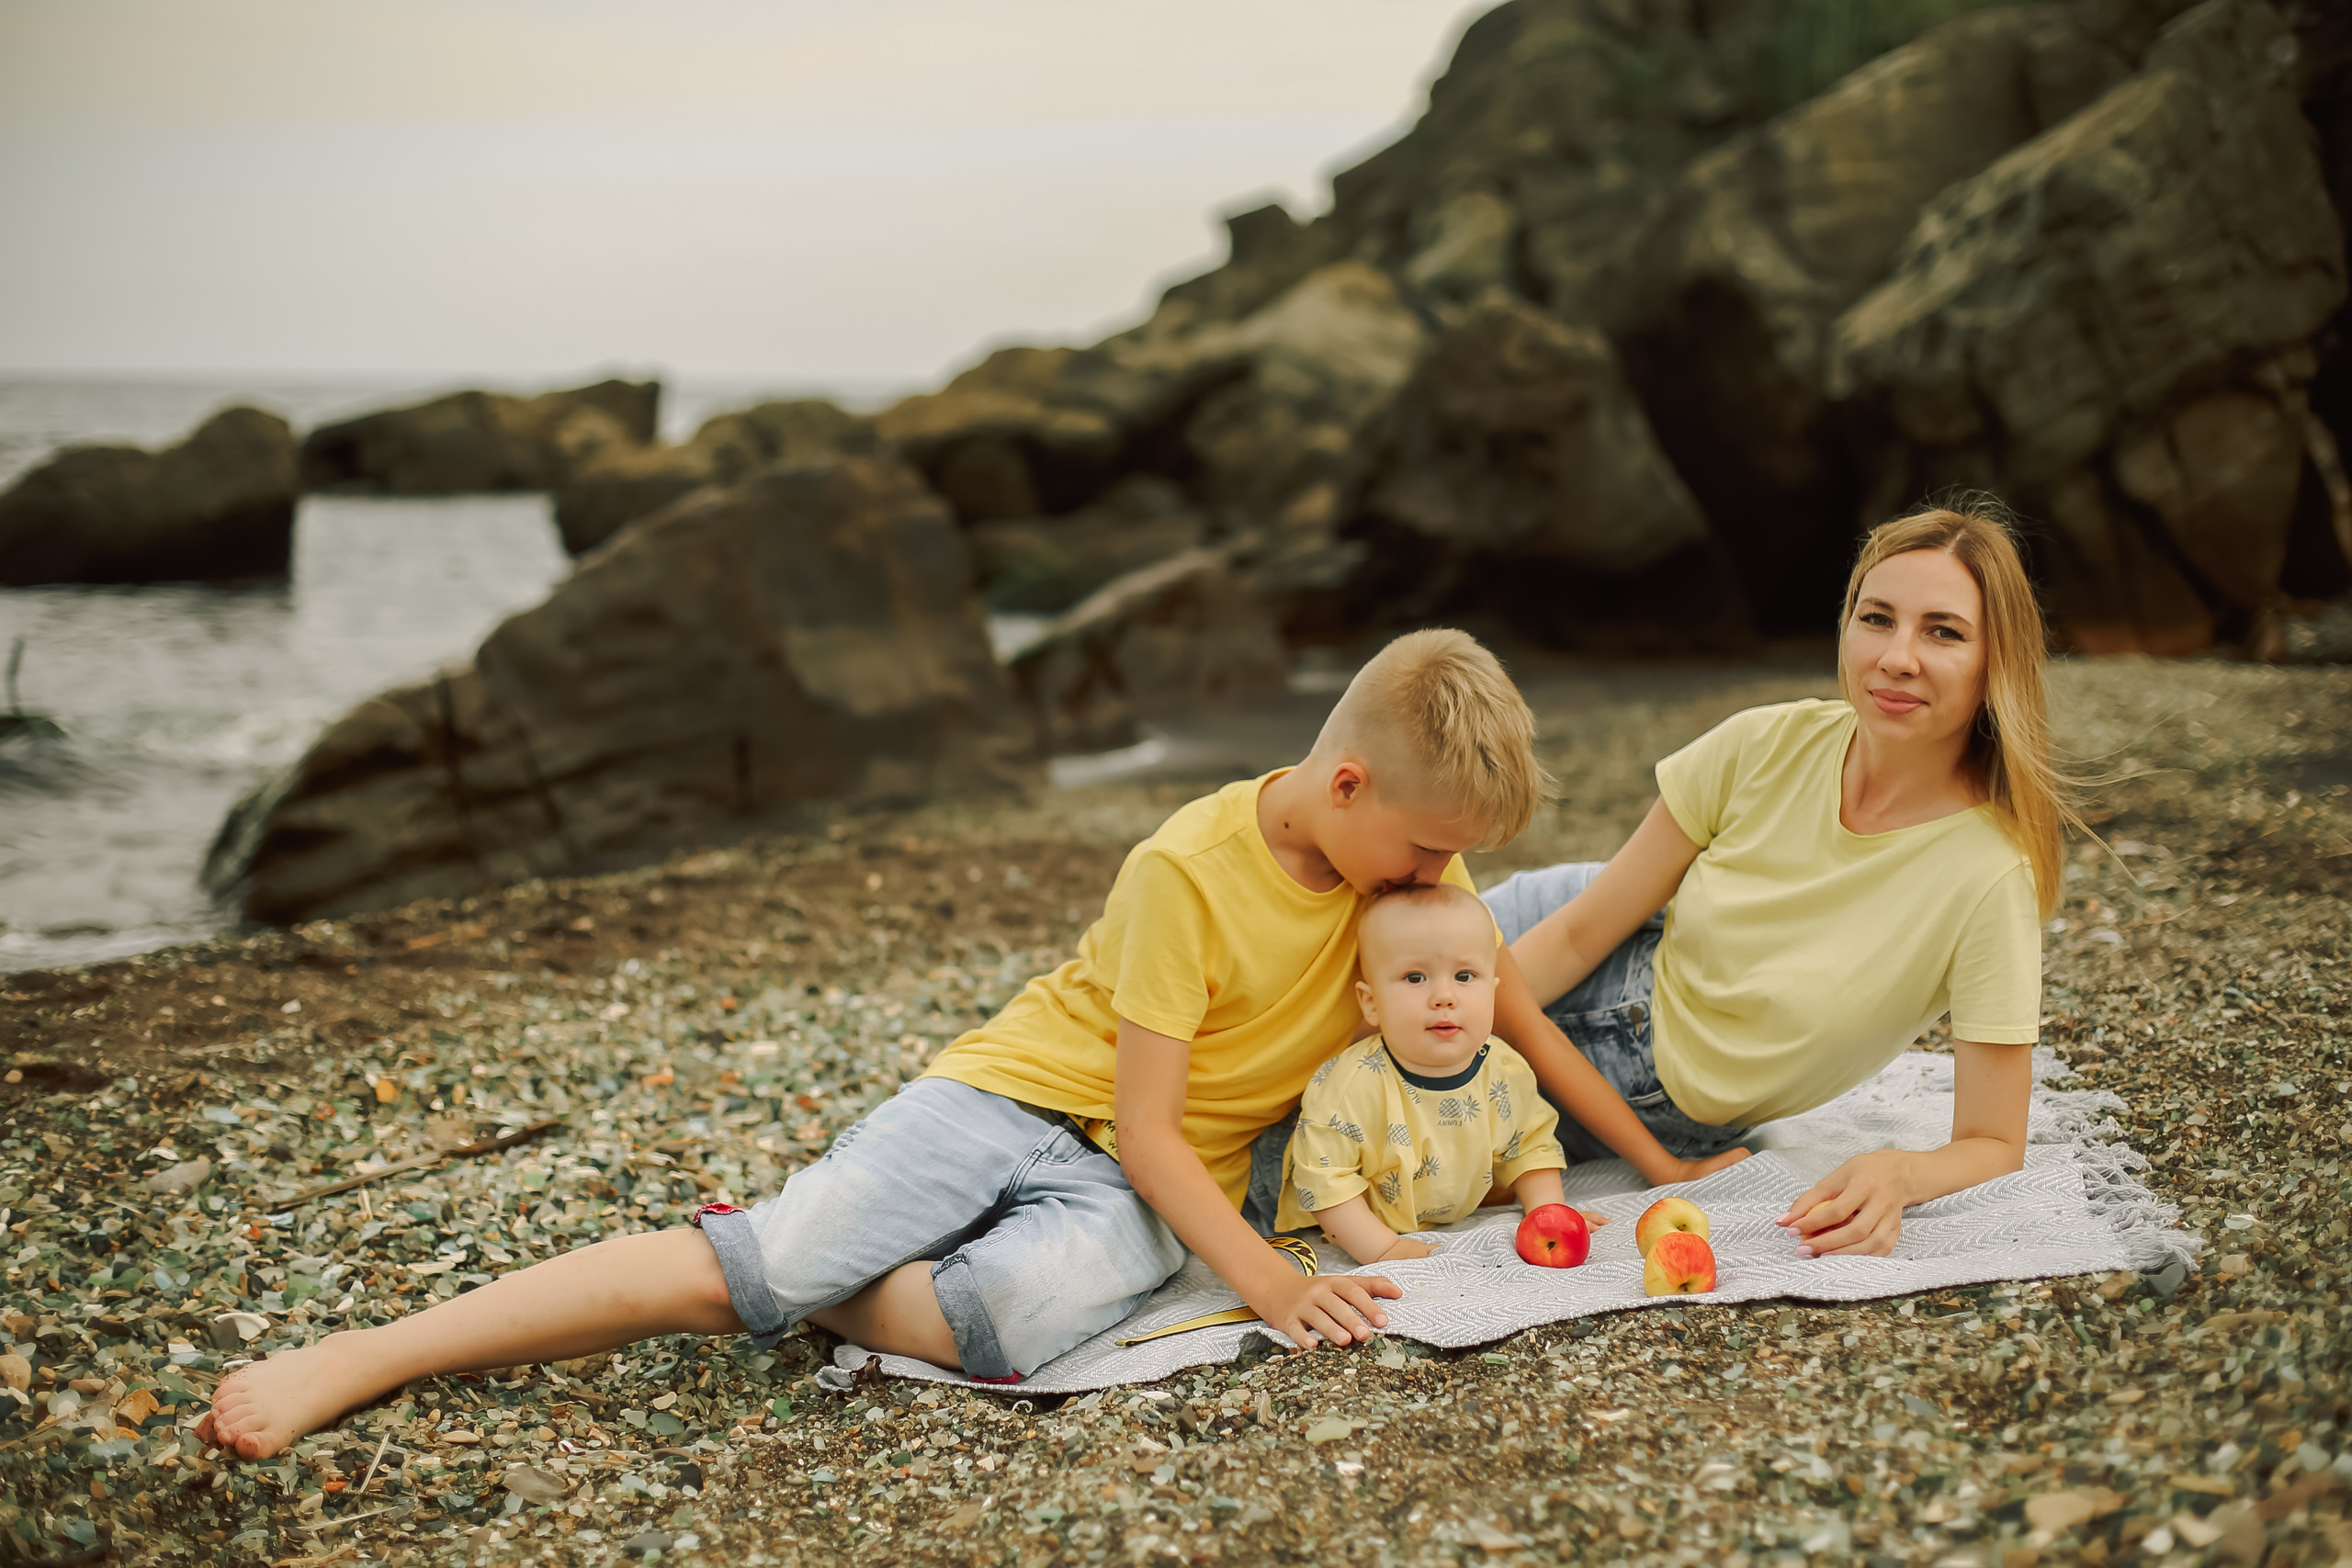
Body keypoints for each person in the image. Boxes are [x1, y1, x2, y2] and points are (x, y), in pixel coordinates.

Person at [198, 629, 1743, 1461]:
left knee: (1010, 1321)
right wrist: (1273, 1283)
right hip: (1015, 1099)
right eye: (1420, 849)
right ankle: (374, 1351)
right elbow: (1146, 1121)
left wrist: (1653, 1159)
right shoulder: (1187, 871)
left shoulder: (1407, 864)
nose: (1434, 879)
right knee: (759, 1266)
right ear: (1346, 787)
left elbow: (1513, 1010)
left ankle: (812, 1273)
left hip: (1138, 1188)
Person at [1489, 499, 2073, 1259]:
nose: (1898, 656)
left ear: (1997, 661)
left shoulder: (1990, 877)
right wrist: (1446, 1022)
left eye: (1944, 631)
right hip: (1529, 947)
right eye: (1876, 618)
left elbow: (1994, 1139)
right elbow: (1575, 932)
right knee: (1352, 1010)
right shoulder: (1762, 742)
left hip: (1644, 1102)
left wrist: (1899, 1172)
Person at [1277, 881, 1605, 1266]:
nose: (1444, 997)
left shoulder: (1504, 1069)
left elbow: (1531, 1144)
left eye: (1464, 976)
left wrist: (1547, 1215)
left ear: (1493, 992)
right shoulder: (1350, 1088)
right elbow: (1324, 1178)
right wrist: (1382, 1248)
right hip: (1337, 1223)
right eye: (1415, 978)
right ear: (1372, 1003)